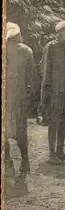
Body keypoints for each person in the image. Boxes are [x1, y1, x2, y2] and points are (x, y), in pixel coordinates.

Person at [38, 20, 65, 165]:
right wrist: (46, 90)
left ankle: (60, 151)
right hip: (56, 89)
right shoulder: (51, 47)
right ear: (60, 32)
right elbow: (45, 69)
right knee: (54, 121)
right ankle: (51, 154)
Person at [5, 22, 36, 187]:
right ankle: (25, 161)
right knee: (21, 130)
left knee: (4, 131)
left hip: (6, 96)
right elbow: (31, 77)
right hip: (19, 97)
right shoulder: (26, 51)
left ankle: (8, 163)